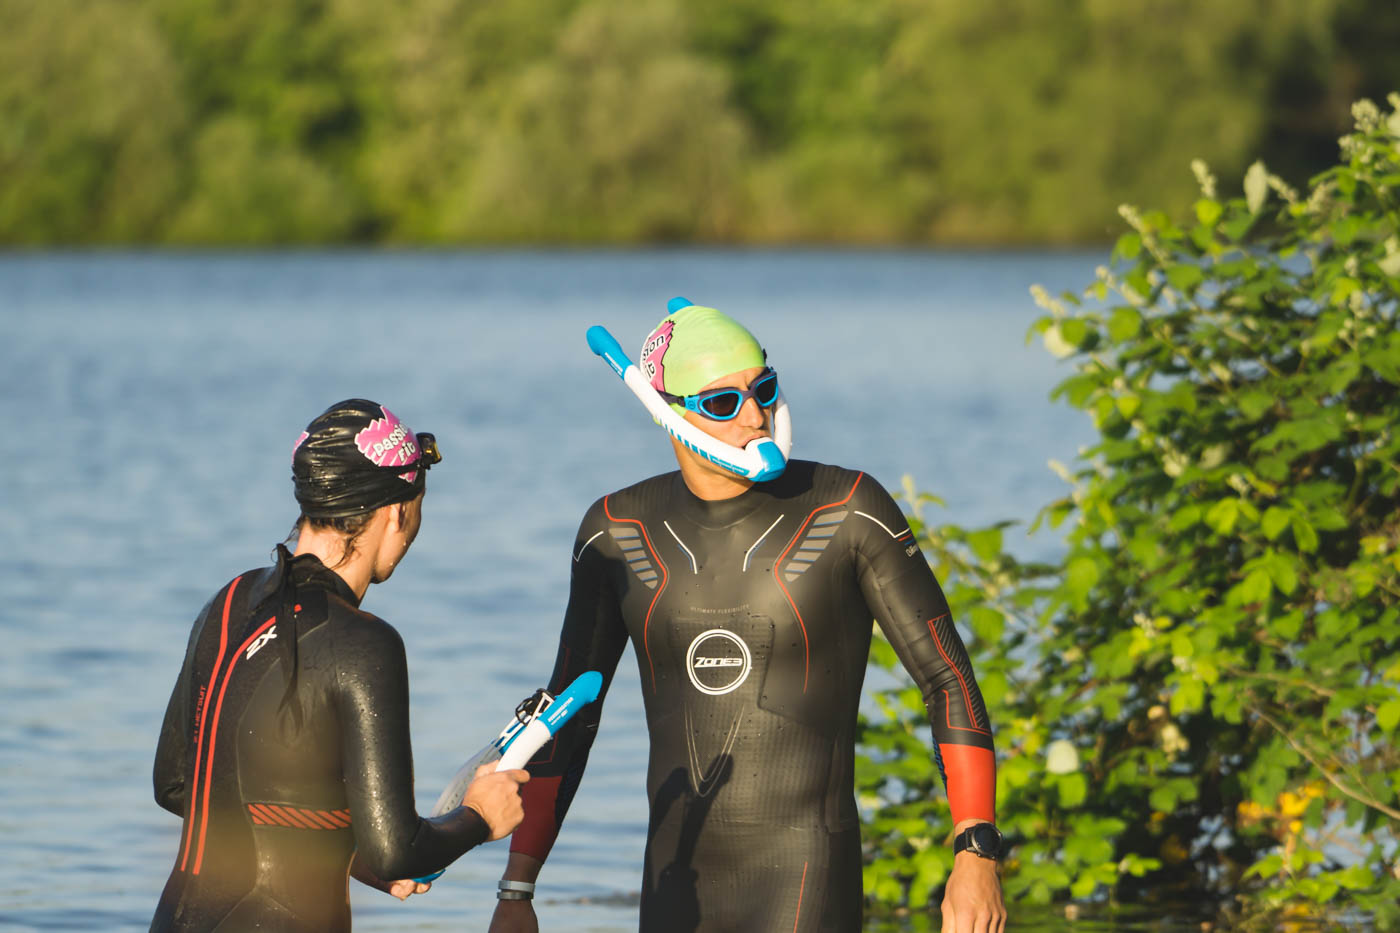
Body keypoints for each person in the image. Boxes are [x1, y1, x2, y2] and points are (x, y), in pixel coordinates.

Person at [490, 303, 1006, 933]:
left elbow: (947, 680)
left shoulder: (846, 510)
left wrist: (975, 852)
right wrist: (517, 889)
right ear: (668, 410)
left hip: (806, 874)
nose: (755, 417)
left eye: (762, 390)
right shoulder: (617, 531)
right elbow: (570, 716)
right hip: (674, 883)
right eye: (722, 403)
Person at [151, 399, 528, 932]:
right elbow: (399, 852)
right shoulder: (364, 644)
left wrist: (344, 848)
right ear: (398, 511)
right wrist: (479, 818)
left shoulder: (229, 601)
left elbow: (175, 785)